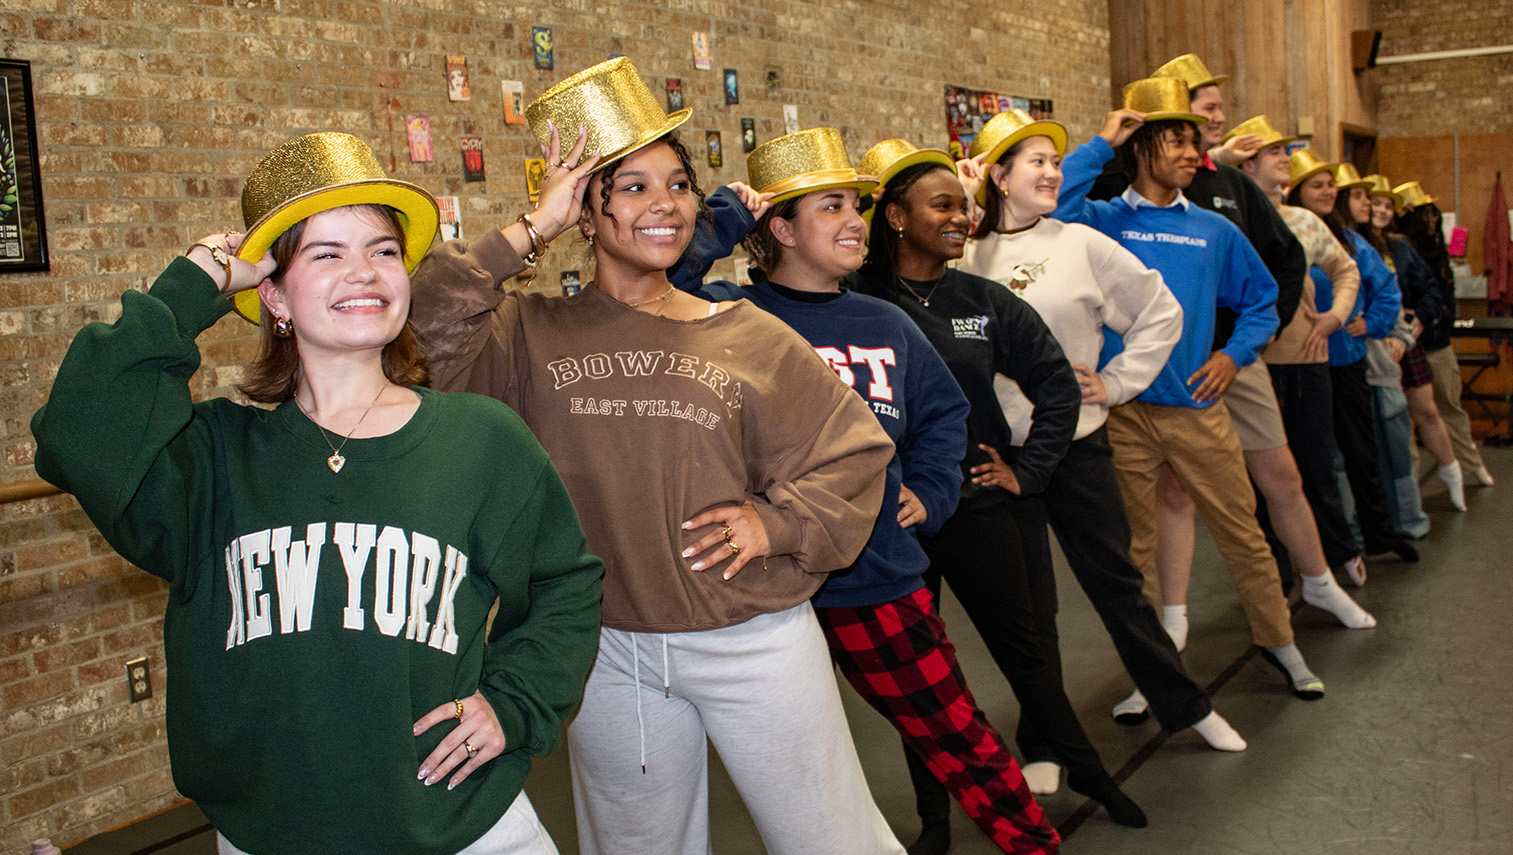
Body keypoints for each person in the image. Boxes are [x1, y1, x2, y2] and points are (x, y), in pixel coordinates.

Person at [29, 132, 605, 855]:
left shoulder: (482, 439)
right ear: (272, 292)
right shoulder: (208, 457)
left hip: (464, 827)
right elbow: (75, 428)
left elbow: (566, 583)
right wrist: (196, 279)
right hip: (272, 833)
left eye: (383, 250)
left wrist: (514, 702)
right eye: (326, 253)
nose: (362, 272)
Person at [406, 59, 903, 855]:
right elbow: (420, 324)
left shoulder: (748, 335)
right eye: (631, 187)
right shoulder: (526, 336)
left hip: (752, 635)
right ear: (587, 210)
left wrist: (773, 525)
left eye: (676, 185)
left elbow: (852, 450)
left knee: (833, 840)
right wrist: (532, 227)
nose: (664, 204)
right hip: (603, 651)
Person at [680, 129, 1062, 855]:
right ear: (782, 228)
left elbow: (945, 411)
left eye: (856, 205)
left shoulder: (884, 321)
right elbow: (662, 282)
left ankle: (1034, 844)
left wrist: (929, 487)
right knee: (798, 769)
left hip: (873, 575)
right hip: (765, 587)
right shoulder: (731, 315)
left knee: (955, 733)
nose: (855, 220)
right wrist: (730, 216)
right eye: (831, 207)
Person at [851, 131, 1148, 851]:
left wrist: (1028, 468)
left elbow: (1054, 382)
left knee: (1028, 656)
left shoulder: (978, 299)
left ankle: (1087, 771)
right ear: (894, 215)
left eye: (963, 204)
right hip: (892, 522)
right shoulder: (854, 298)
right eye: (940, 204)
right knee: (921, 686)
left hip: (978, 505)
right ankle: (933, 818)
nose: (959, 216)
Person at [947, 111, 1248, 769]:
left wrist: (1114, 382)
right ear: (996, 174)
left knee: (1116, 586)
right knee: (1028, 608)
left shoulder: (1079, 243)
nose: (1053, 173)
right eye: (1035, 162)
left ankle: (1187, 705)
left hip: (1076, 444)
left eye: (1055, 162)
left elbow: (1159, 311)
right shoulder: (963, 256)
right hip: (1000, 457)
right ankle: (1042, 740)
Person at [1053, 78, 1327, 700]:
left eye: (1193, 144)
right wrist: (1099, 145)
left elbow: (1261, 300)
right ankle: (1152, 676)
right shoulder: (1097, 221)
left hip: (1197, 411)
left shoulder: (1214, 230)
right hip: (1121, 414)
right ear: (1142, 143)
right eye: (1176, 141)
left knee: (1243, 534)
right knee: (1134, 554)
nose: (1193, 154)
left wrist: (1234, 355)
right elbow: (1050, 209)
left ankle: (1282, 644)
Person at [1230, 117, 1374, 577]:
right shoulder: (1228, 220)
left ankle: (1338, 555)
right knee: (1258, 480)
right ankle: (1278, 572)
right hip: (1248, 366)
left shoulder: (1304, 221)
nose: (1285, 159)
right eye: (1274, 152)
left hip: (1306, 363)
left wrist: (1336, 317)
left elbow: (1347, 270)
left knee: (1316, 465)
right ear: (1247, 161)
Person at [1287, 151, 1418, 571]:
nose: (1326, 193)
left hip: (1347, 362)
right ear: (1296, 192)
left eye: (1330, 186)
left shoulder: (1352, 242)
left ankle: (1378, 533)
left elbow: (1385, 289)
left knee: (1362, 454)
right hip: (1302, 364)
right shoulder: (1284, 232)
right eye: (1316, 186)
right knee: (1320, 462)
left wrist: (1372, 322)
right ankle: (1334, 545)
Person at [1359, 173, 1465, 514]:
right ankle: (1400, 505)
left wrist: (1419, 319)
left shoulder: (1401, 247)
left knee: (1429, 411)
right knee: (1387, 426)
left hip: (1406, 340)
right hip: (1371, 344)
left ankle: (1455, 479)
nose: (1379, 210)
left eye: (1387, 205)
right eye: (1373, 202)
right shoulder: (1347, 243)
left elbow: (1432, 290)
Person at [1393, 182, 1496, 488]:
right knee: (1403, 415)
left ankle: (1472, 465)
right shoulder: (1395, 250)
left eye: (1433, 216)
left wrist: (1433, 318)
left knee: (1449, 407)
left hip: (1435, 342)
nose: (1432, 222)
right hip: (1402, 344)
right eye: (1425, 216)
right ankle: (1408, 482)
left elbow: (1441, 296)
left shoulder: (1435, 250)